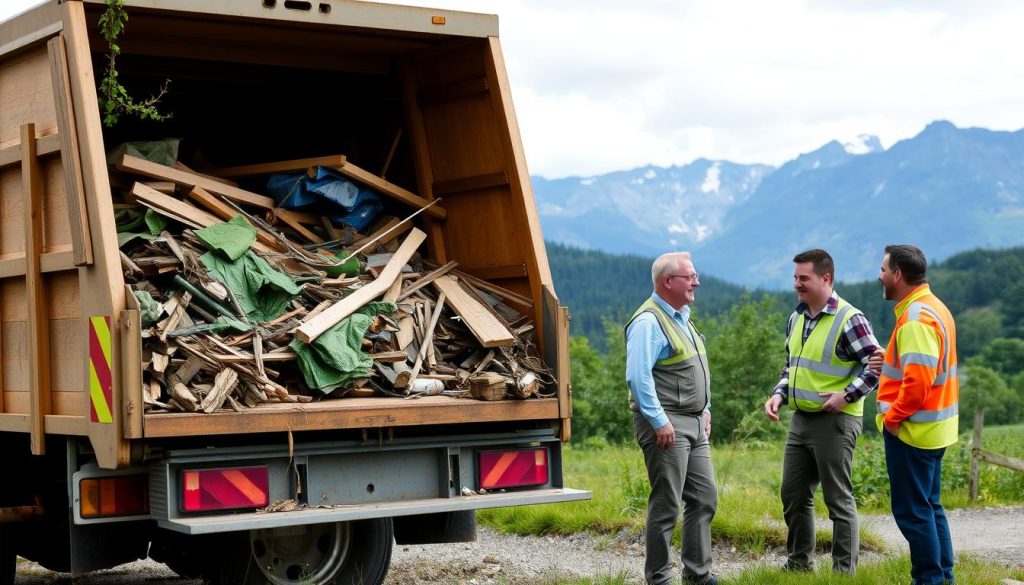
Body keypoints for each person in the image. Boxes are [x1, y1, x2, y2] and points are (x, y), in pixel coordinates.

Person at [763, 249, 881, 574]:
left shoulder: (850, 319)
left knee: (837, 500)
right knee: (792, 495)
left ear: (826, 279)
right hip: (800, 420)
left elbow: (877, 362)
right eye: (795, 278)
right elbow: (792, 365)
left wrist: (847, 395)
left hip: (836, 421)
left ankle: (844, 573)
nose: (796, 284)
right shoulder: (796, 317)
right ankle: (799, 565)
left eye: (804, 278)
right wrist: (779, 394)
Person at [625, 252, 717, 585]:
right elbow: (638, 377)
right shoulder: (649, 322)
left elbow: (695, 369)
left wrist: (705, 409)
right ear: (668, 282)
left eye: (695, 275)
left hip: (693, 422)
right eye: (690, 276)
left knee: (704, 497)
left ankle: (697, 574)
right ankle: (659, 578)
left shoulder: (682, 317)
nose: (697, 281)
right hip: (667, 425)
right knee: (666, 504)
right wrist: (658, 420)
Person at [876, 244, 959, 585]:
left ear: (897, 274)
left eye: (883, 269)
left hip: (913, 432)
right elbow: (922, 366)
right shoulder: (933, 307)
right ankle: (944, 577)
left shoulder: (915, 318)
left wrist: (893, 419)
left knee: (913, 513)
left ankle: (929, 581)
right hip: (934, 429)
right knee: (930, 507)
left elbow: (918, 382)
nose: (879, 275)